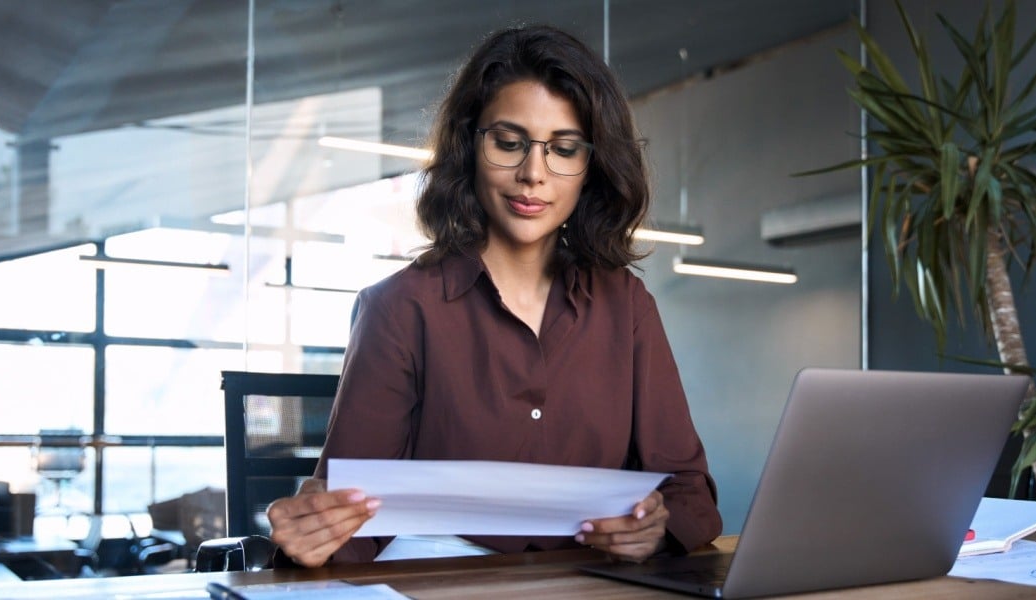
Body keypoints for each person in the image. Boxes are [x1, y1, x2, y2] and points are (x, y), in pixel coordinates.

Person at [267, 24, 722, 568]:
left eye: (564, 148)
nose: (533, 174)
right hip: (440, 577)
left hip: (588, 583)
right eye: (508, 143)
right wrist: (312, 533)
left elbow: (690, 492)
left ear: (591, 168)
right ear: (469, 147)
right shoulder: (399, 308)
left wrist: (655, 529)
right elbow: (346, 520)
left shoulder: (627, 307)